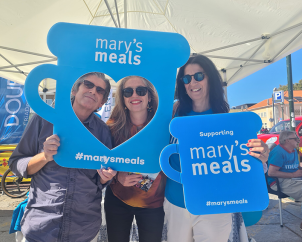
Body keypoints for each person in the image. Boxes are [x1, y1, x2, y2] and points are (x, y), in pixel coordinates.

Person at [164, 55, 270, 242]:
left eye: (198, 76)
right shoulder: (174, 113)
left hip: (214, 202)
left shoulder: (228, 119)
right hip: (176, 201)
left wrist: (261, 156)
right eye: (186, 79)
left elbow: (244, 165)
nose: (192, 82)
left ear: (211, 78)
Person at [9, 72, 117, 242]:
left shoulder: (103, 132)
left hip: (84, 230)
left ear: (103, 101)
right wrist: (44, 156)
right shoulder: (43, 120)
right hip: (41, 227)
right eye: (88, 85)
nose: (93, 91)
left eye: (100, 90)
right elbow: (17, 164)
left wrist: (106, 178)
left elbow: (100, 180)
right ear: (74, 90)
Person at [104, 76, 165, 242]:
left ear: (149, 96)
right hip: (117, 199)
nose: (134, 95)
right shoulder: (112, 127)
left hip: (153, 203)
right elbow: (102, 162)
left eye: (141, 91)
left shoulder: (164, 125)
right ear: (123, 98)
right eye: (128, 92)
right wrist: (118, 176)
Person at [267, 130, 302, 200]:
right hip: (278, 182)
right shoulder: (278, 152)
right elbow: (271, 173)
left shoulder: (293, 150)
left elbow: (296, 166)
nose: (298, 140)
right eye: (295, 139)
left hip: (292, 179)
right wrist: (293, 174)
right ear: (287, 140)